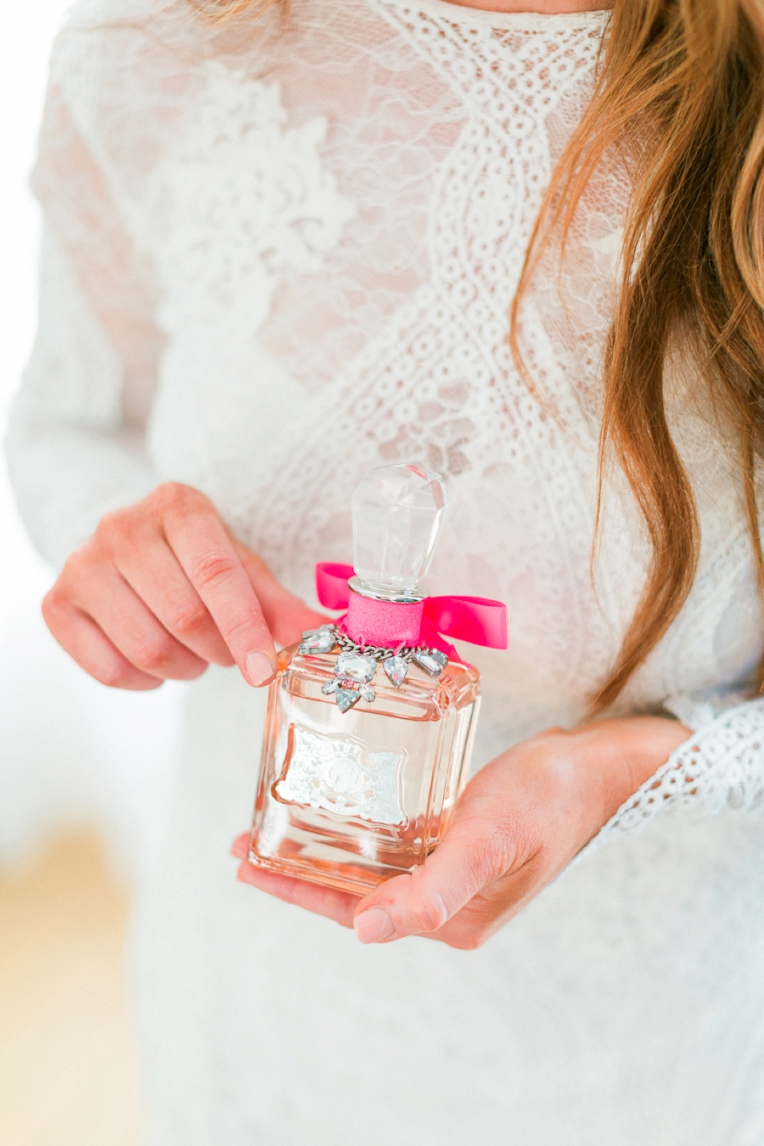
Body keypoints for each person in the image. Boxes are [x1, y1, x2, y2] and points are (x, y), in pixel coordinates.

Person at [7, 0, 764, 1139]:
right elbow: (68, 424)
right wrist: (122, 544)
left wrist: (653, 763)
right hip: (259, 1013)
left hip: (660, 1051)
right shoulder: (149, 47)